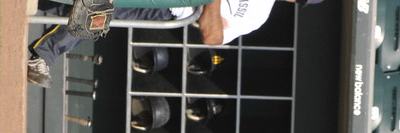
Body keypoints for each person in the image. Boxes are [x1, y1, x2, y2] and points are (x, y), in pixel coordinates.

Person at [27, 0, 328, 88]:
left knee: (102, 12)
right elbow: (211, 23)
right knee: (100, 7)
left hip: (169, 8)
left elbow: (212, 36)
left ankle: (44, 51)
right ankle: (44, 44)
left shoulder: (259, 15)